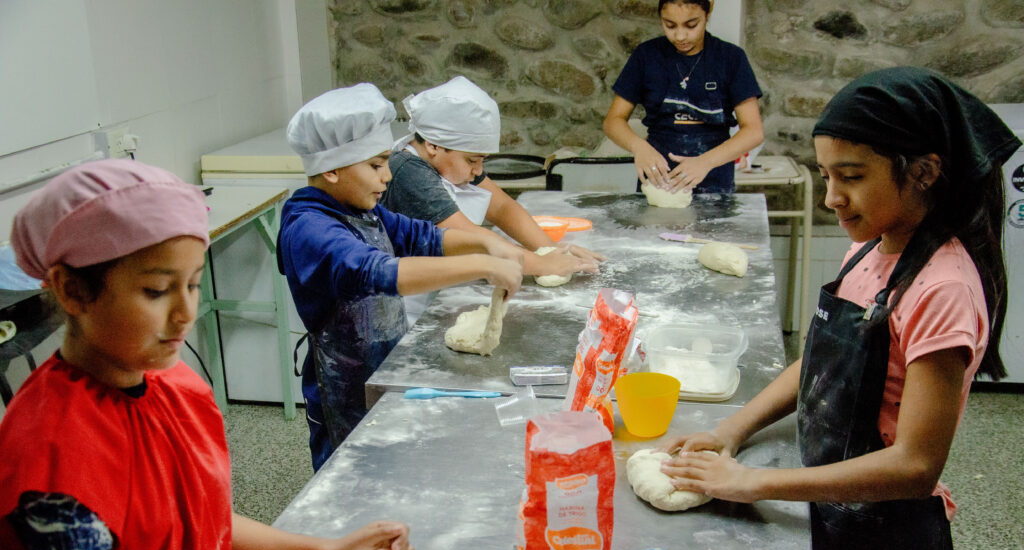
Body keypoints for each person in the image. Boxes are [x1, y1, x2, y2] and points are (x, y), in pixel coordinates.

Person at [658, 67, 1020, 550]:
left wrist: (750, 483)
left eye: (851, 177)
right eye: (827, 175)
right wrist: (732, 430)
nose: (831, 196)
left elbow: (914, 465)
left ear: (924, 172)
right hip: (831, 503)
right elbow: (822, 360)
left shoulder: (942, 291)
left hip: (885, 532)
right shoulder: (871, 246)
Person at [0, 158, 416, 550]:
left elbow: (197, 525)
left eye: (193, 284)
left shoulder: (177, 389)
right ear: (72, 291)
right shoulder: (54, 454)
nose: (185, 313)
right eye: (156, 290)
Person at [279, 83, 524, 471]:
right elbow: (380, 272)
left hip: (382, 367)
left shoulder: (362, 208)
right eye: (376, 165)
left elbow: (422, 236)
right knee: (348, 474)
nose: (387, 175)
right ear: (331, 169)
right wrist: (483, 265)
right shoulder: (311, 228)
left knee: (389, 464)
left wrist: (489, 244)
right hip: (341, 385)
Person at [382, 75, 604, 291]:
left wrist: (550, 249)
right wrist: (543, 264)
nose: (478, 170)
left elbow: (502, 208)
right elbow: (470, 239)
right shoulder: (408, 172)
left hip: (438, 284)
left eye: (481, 160)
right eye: (471, 160)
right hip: (407, 299)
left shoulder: (450, 161)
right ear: (433, 146)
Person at [602, 0, 763, 194]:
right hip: (659, 181)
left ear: (708, 11)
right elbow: (613, 121)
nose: (679, 35)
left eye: (691, 25)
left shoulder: (730, 58)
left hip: (714, 182)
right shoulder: (647, 56)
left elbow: (753, 131)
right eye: (669, 25)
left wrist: (705, 162)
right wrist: (639, 147)